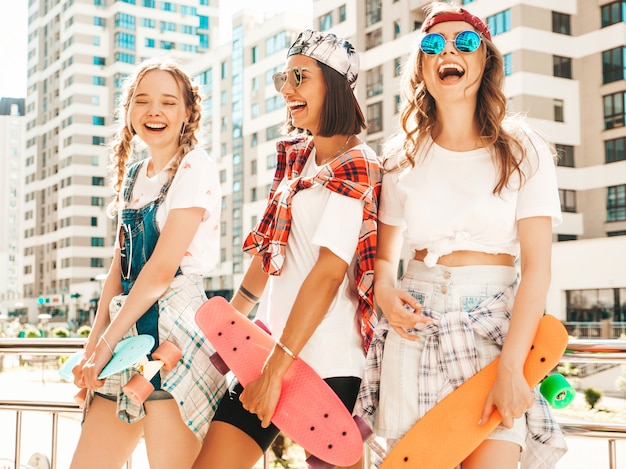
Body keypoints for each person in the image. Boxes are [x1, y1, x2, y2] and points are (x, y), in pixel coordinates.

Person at [355, 2, 568, 468]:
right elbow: (385, 262)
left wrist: (512, 367)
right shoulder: (401, 156)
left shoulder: (522, 148)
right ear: (423, 68)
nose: (447, 50)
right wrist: (387, 295)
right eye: (432, 45)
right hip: (416, 325)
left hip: (494, 329)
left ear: (485, 60)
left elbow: (537, 269)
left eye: (463, 42)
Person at [192, 30, 382, 469]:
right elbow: (271, 249)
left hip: (327, 362)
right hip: (267, 349)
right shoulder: (299, 157)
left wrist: (277, 371)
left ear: (334, 85)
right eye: (284, 78)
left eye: (300, 77)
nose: (287, 90)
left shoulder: (357, 164)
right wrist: (230, 321)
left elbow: (328, 274)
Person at [70, 58, 228, 469]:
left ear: (188, 112)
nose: (154, 111)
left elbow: (159, 273)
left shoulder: (195, 166)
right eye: (142, 101)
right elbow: (118, 271)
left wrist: (104, 347)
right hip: (125, 334)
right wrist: (92, 347)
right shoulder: (135, 175)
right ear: (129, 112)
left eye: (168, 102)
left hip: (174, 332)